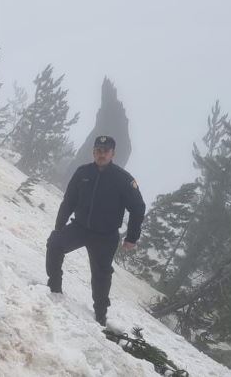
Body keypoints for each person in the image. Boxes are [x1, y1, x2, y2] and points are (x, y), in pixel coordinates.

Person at [46, 135, 145, 326]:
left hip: (105, 236)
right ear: (93, 152)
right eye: (98, 150)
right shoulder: (83, 172)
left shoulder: (123, 179)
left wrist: (132, 237)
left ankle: (100, 313)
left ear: (112, 154)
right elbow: (69, 201)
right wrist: (59, 226)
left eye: (105, 151)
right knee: (55, 243)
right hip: (80, 227)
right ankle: (54, 287)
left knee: (101, 275)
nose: (101, 154)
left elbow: (138, 208)